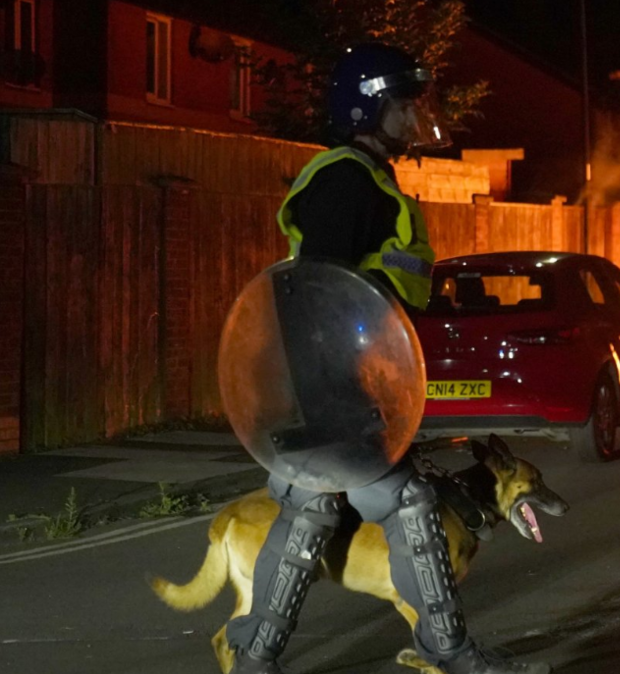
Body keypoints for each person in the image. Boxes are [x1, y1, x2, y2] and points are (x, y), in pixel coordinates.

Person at [223, 43, 552, 674]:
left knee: (308, 509)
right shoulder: (344, 180)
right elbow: (317, 295)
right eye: (404, 102)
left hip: (340, 387)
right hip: (333, 390)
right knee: (405, 505)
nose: (414, 115)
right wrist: (339, 395)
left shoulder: (367, 177)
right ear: (368, 107)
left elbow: (369, 294)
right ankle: (448, 653)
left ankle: (254, 657)